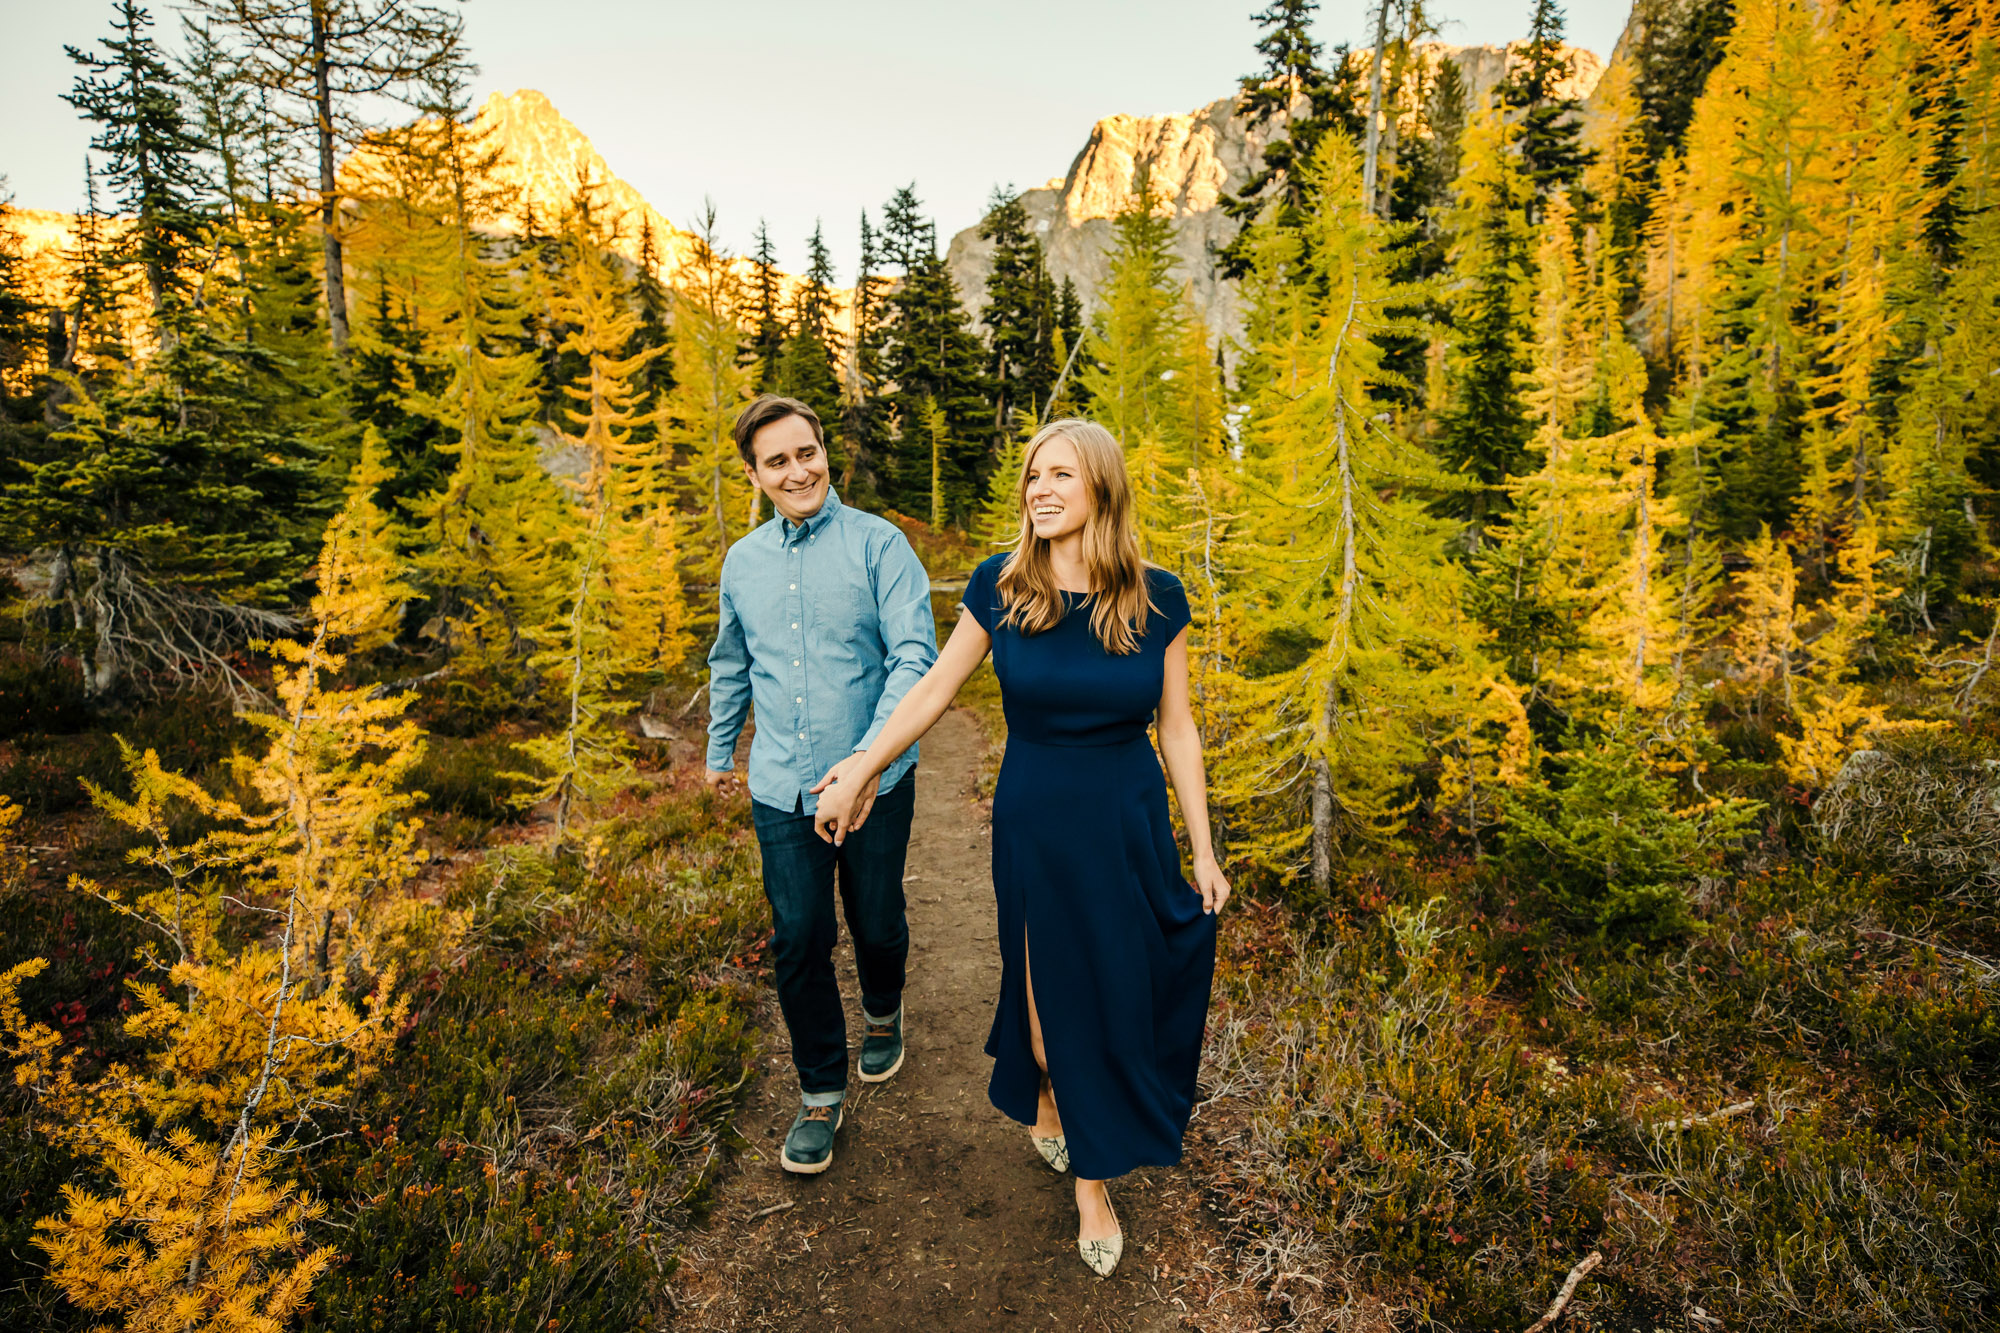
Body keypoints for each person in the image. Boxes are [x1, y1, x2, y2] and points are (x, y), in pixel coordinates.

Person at [810, 418, 1229, 1276]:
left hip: (1128, 818)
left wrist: (1204, 848)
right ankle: (1065, 1131)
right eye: (1033, 476)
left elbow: (1177, 729)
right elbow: (932, 689)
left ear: (1101, 489)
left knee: (1116, 992)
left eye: (1060, 475)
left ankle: (1074, 1143)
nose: (1040, 489)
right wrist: (862, 768)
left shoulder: (1159, 596)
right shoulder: (1000, 586)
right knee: (1048, 1013)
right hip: (1038, 818)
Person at [705, 394, 939, 1175]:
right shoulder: (743, 561)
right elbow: (731, 662)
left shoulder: (880, 545)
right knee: (799, 938)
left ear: (823, 451)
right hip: (781, 788)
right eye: (778, 460)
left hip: (876, 780)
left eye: (807, 452)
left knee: (876, 921)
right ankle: (819, 1093)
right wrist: (717, 752)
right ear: (756, 474)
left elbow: (914, 659)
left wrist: (867, 761)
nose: (798, 469)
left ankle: (882, 1010)